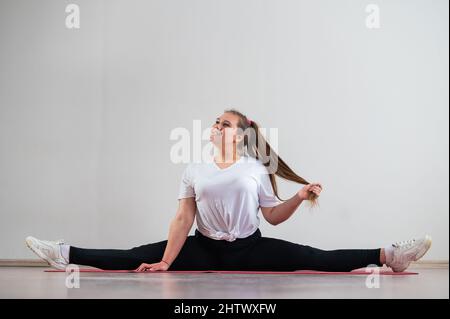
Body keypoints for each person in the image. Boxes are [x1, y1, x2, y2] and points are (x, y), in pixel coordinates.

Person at [25, 109, 432, 272]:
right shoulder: (194, 168)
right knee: (137, 256)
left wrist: (298, 195)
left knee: (313, 258)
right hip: (203, 247)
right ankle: (63, 254)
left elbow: (270, 216)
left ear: (240, 135)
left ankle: (389, 256)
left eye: (225, 123)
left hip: (251, 247)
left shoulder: (256, 167)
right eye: (216, 122)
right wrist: (167, 260)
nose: (217, 126)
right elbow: (183, 218)